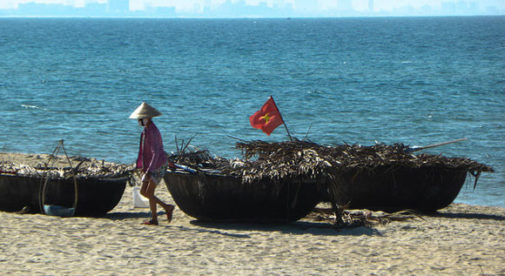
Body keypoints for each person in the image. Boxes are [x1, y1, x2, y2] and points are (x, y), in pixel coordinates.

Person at [129, 102, 174, 225]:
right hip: (150, 164)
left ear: (147, 118)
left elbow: (155, 152)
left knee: (149, 192)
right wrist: (143, 166)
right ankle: (165, 208)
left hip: (158, 164)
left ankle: (158, 216)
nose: (139, 121)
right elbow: (144, 151)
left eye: (140, 119)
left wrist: (149, 169)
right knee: (144, 192)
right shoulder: (146, 130)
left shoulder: (152, 131)